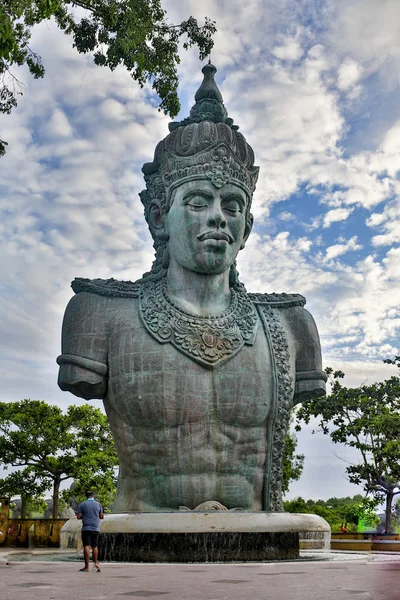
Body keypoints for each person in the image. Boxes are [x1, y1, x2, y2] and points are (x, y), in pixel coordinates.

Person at [57, 63, 326, 514]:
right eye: (198, 201)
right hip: (138, 542)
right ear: (160, 218)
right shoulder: (98, 314)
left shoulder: (290, 325)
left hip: (260, 548)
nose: (218, 217)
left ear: (247, 227)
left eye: (232, 205)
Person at [76, 491, 104, 572]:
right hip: (95, 528)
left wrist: (84, 517)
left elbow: (78, 516)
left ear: (86, 496)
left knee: (86, 546)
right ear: (93, 496)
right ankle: (95, 564)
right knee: (94, 546)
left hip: (86, 528)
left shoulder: (82, 504)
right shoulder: (98, 504)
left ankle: (86, 567)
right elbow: (101, 516)